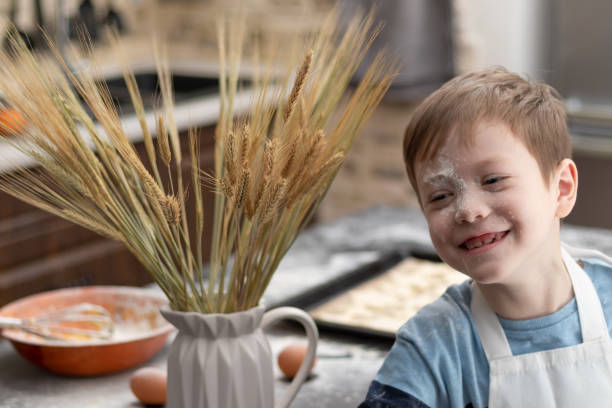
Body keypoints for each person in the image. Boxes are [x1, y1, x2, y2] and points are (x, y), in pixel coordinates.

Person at [358, 67, 612, 407]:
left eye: (493, 180)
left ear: (562, 189)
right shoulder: (434, 346)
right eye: (440, 196)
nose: (467, 210)